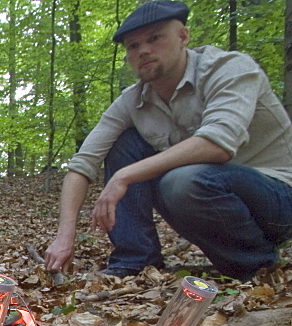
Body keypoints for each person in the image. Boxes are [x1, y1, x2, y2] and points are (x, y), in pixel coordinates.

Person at [44, 0, 292, 280]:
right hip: (210, 196)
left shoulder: (229, 68)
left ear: (183, 36)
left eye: (155, 38)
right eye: (133, 46)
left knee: (182, 181)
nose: (144, 51)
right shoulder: (133, 100)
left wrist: (123, 176)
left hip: (278, 197)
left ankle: (258, 268)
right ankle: (136, 261)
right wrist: (65, 236)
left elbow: (218, 144)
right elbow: (82, 164)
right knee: (124, 143)